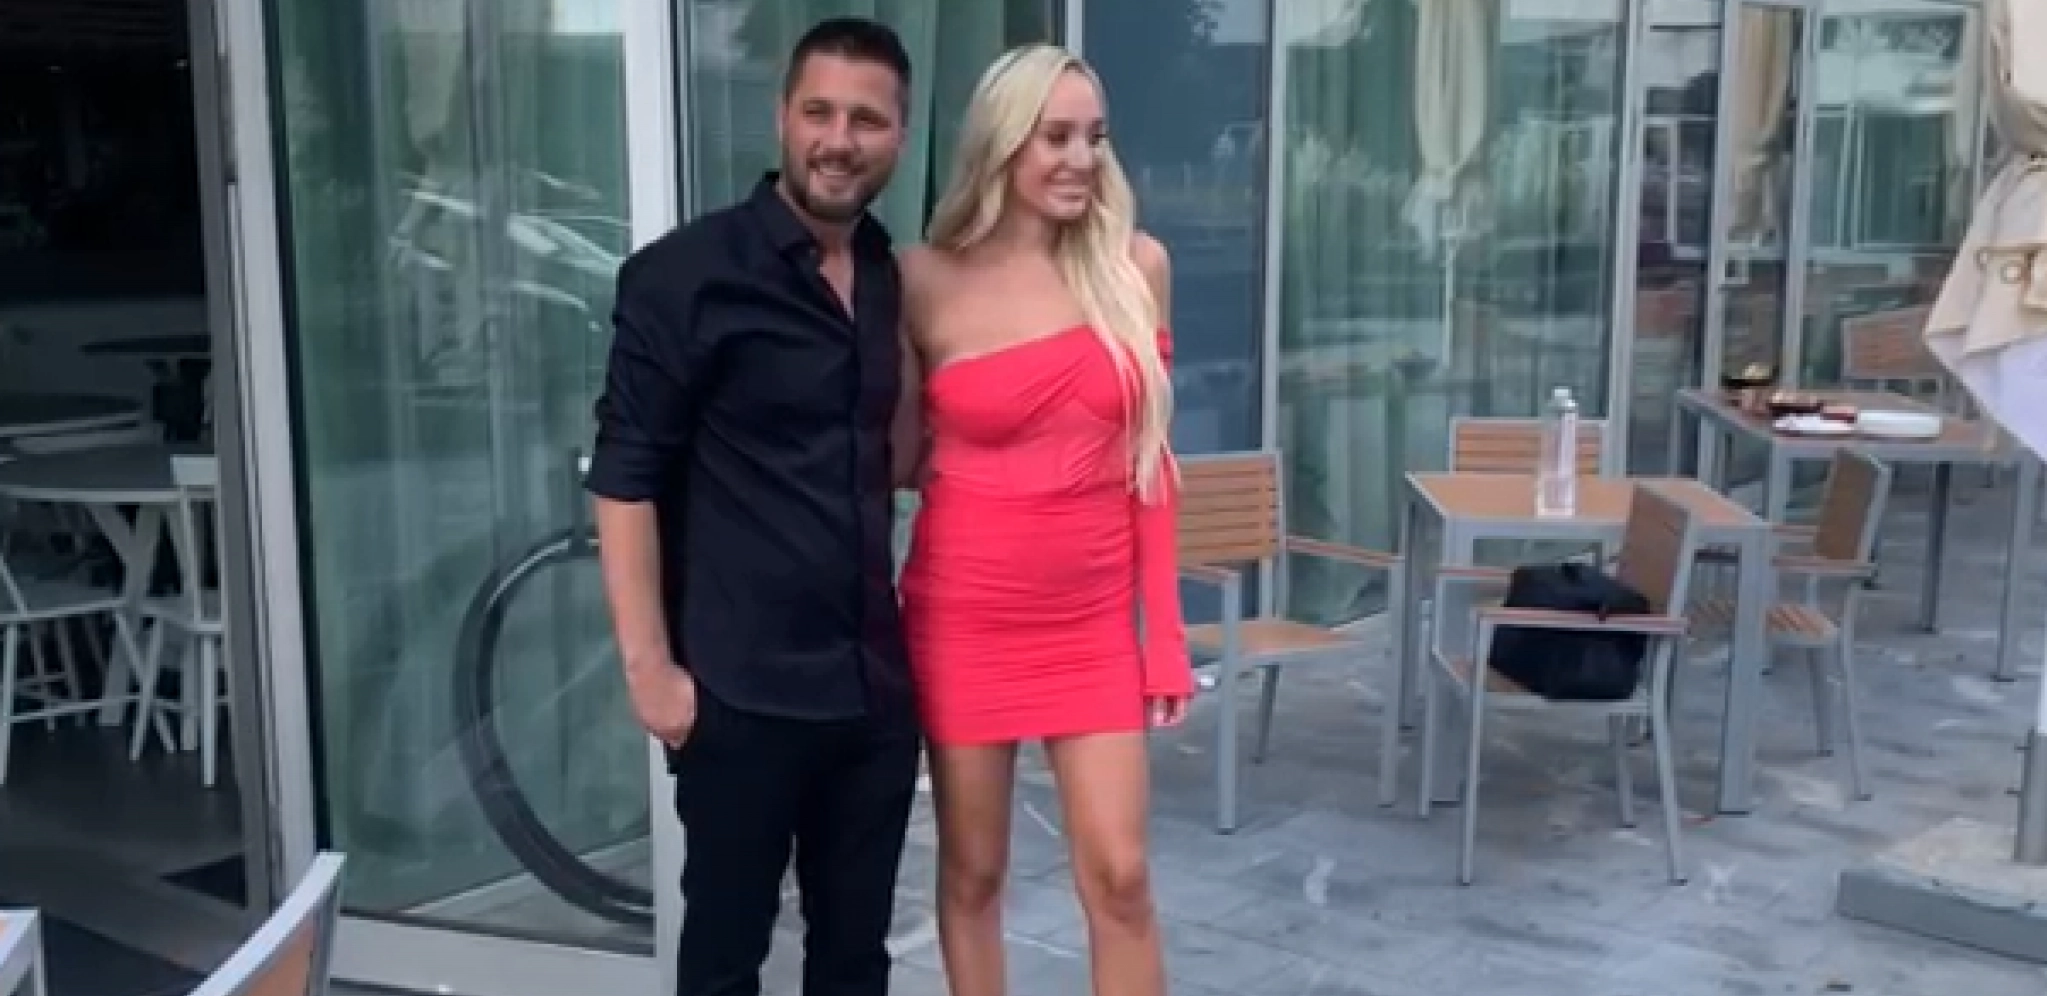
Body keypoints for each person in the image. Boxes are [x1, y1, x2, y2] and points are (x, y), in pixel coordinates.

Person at [584, 17, 920, 996]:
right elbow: (624, 478)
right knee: (725, 963)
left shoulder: (888, 274)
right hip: (741, 695)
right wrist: (652, 674)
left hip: (870, 692)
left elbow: (895, 460)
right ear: (782, 118)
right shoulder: (685, 276)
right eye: (819, 111)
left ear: (899, 136)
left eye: (866, 119)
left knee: (855, 963)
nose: (838, 140)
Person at [895, 43, 1193, 996]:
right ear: (1002, 144)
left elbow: (1150, 468)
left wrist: (1163, 638)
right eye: (1055, 136)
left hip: (1090, 626)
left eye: (1093, 138)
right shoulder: (923, 279)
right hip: (962, 619)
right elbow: (894, 459)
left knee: (1122, 878)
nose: (1080, 159)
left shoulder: (1136, 267)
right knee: (973, 875)